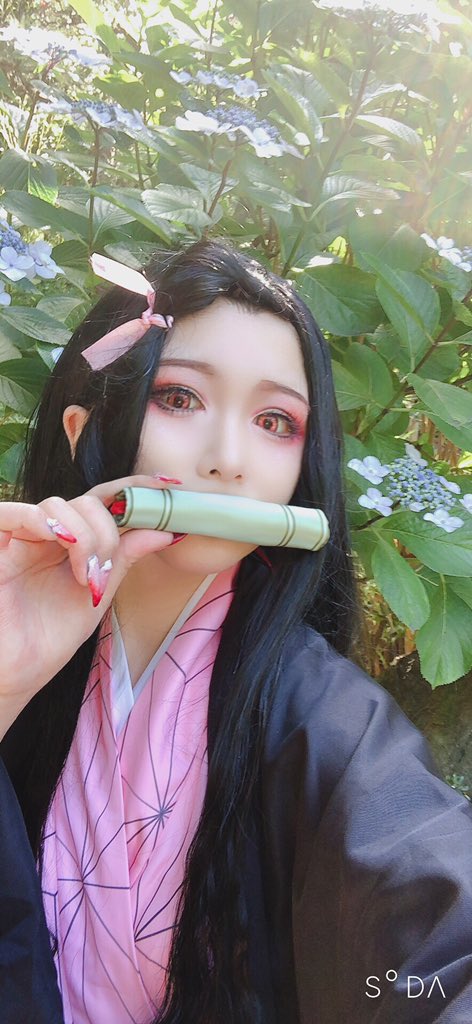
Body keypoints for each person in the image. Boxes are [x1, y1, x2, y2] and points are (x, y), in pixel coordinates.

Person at [0, 236, 471, 1024]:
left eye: (275, 421)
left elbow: (438, 930)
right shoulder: (29, 648)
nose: (228, 459)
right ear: (83, 430)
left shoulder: (324, 718)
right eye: (180, 398)